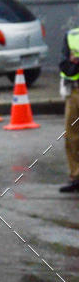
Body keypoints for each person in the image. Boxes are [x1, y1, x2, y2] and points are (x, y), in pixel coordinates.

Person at [59, 23, 79, 193]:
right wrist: (72, 63)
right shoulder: (71, 36)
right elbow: (63, 63)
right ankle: (76, 176)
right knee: (71, 135)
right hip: (74, 91)